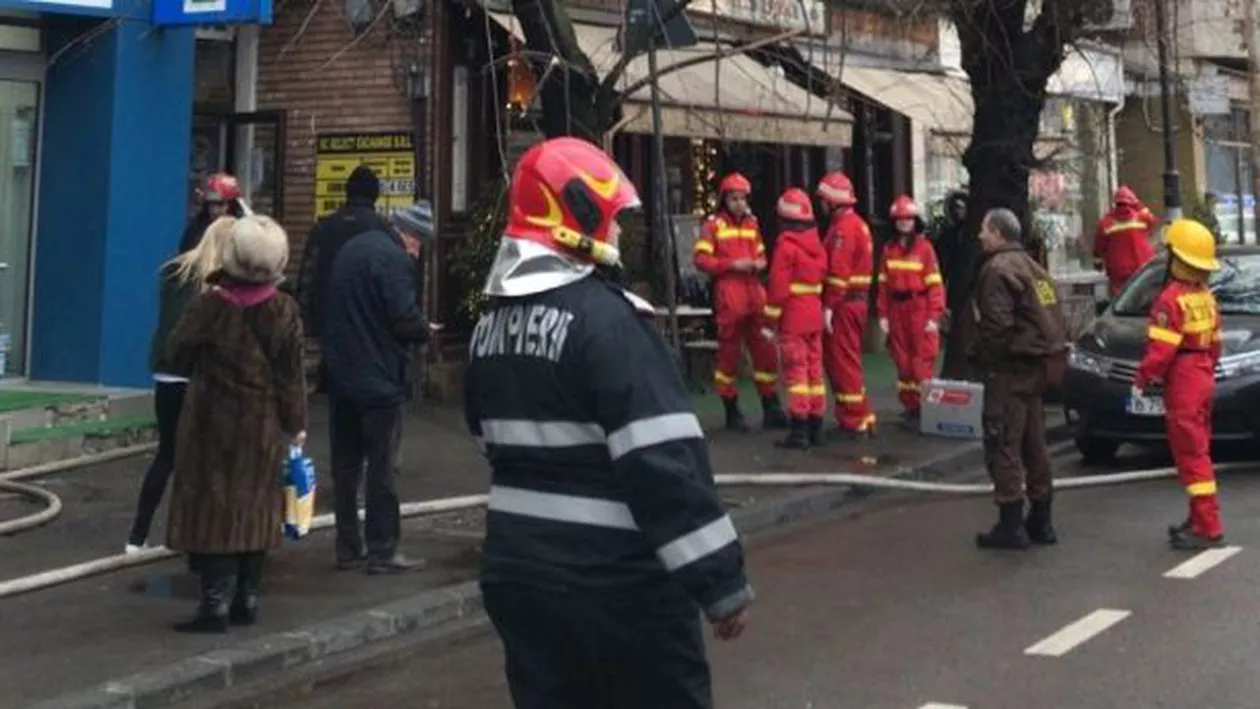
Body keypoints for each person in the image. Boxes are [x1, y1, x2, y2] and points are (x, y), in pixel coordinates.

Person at [464, 137, 752, 709]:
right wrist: (720, 583)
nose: (619, 231)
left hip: (517, 575)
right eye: (614, 217)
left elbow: (486, 439)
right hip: (616, 584)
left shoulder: (486, 332)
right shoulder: (612, 326)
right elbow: (666, 465)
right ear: (580, 217)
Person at [164, 215, 308, 633]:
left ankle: (214, 605)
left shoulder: (210, 305)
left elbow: (176, 353)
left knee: (212, 509)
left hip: (211, 423)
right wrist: (295, 422)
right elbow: (291, 376)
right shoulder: (284, 310)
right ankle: (248, 597)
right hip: (261, 426)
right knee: (256, 506)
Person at [321, 201, 436, 574]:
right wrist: (424, 330)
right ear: (407, 235)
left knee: (346, 467)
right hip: (379, 380)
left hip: (342, 376)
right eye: (419, 243)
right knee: (383, 468)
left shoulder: (353, 249)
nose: (418, 252)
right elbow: (402, 318)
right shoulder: (395, 259)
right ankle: (383, 550)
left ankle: (347, 547)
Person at [124, 216, 238, 554]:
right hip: (200, 376)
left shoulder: (174, 273)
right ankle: (197, 534)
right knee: (207, 457)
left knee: (167, 455)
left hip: (166, 373)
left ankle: (137, 536)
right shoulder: (219, 286)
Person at [969, 209, 1069, 550]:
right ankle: (1042, 520)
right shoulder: (1035, 268)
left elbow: (997, 326)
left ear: (997, 233)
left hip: (1011, 369)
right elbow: (1054, 315)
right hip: (1039, 368)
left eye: (984, 230)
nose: (980, 236)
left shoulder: (997, 270)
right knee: (1034, 443)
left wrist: (984, 358)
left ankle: (1010, 523)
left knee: (1003, 442)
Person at [1133, 219, 1225, 551]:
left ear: (1177, 259)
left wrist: (1142, 379)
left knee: (1191, 456)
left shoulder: (1170, 300)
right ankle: (1199, 519)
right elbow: (1215, 346)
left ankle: (1208, 525)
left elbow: (1161, 352)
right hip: (1202, 375)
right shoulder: (1206, 298)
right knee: (1199, 450)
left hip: (1184, 379)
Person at [693, 172, 788, 432]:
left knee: (765, 352)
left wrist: (759, 264)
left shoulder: (751, 223)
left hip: (754, 292)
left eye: (743, 198)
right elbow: (701, 259)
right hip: (730, 293)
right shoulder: (713, 225)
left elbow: (761, 253)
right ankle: (731, 409)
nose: (739, 203)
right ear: (725, 199)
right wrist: (732, 264)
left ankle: (771, 406)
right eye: (734, 198)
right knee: (729, 357)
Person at [763, 188, 828, 450]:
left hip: (793, 318)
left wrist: (770, 319)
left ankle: (799, 431)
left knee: (796, 373)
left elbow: (778, 287)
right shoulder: (817, 245)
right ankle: (816, 427)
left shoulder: (786, 247)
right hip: (813, 314)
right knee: (814, 371)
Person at [296, 165, 390, 339]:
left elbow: (307, 278)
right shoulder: (384, 230)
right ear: (375, 194)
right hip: (369, 326)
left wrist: (306, 320)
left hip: (328, 322)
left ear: (348, 191)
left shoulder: (323, 227)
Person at [816, 171, 876, 439]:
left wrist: (828, 307)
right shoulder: (853, 224)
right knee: (846, 361)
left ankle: (853, 421)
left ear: (832, 201)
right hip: (852, 303)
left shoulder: (843, 229)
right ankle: (859, 415)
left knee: (843, 363)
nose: (820, 205)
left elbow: (838, 273)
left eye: (823, 200)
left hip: (845, 305)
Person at [877, 195, 946, 424]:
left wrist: (934, 317)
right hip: (898, 309)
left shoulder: (925, 249)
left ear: (915, 221)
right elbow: (883, 285)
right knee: (902, 362)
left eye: (908, 219)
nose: (904, 223)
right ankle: (911, 407)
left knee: (921, 362)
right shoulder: (889, 249)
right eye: (900, 219)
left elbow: (935, 285)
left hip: (920, 308)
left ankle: (925, 408)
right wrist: (883, 314)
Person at [1094, 186, 1157, 297]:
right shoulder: (1141, 217)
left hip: (1117, 271)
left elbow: (1099, 247)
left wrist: (1098, 264)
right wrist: (1137, 203)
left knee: (1118, 300)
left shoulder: (1106, 222)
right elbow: (1152, 221)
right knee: (1143, 298)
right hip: (1141, 268)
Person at [179, 173, 246, 253]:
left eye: (220, 204)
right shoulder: (197, 228)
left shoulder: (244, 230)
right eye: (211, 205)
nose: (214, 211)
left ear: (232, 205)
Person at [929, 188, 968, 288]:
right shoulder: (946, 233)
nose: (958, 211)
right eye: (955, 207)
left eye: (961, 207)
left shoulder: (972, 232)